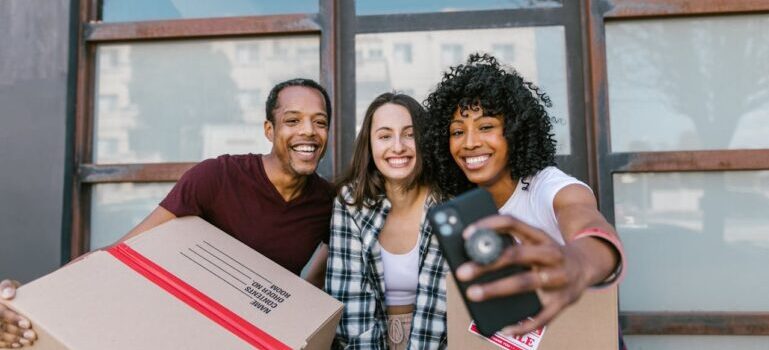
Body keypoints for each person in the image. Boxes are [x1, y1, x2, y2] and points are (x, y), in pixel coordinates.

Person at [0, 78, 335, 348]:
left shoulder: (328, 205)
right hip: (181, 330)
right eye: (293, 120)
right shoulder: (217, 178)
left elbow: (315, 287)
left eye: (319, 123)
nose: (308, 131)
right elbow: (121, 255)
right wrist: (31, 299)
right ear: (269, 130)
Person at [420, 54, 626, 337]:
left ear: (515, 131)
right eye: (457, 131)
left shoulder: (546, 186)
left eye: (486, 127)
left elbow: (586, 220)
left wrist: (579, 262)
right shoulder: (461, 207)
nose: (469, 143)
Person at [326, 92, 447, 349]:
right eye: (384, 136)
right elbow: (350, 307)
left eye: (410, 134)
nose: (398, 146)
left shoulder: (447, 204)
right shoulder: (351, 203)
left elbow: (439, 309)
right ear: (369, 145)